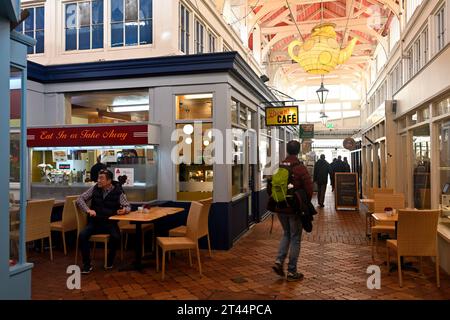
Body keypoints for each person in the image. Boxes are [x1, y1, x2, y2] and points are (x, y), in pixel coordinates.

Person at [271, 140, 313, 282]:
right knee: (295, 238)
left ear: (288, 150)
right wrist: (303, 202)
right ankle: (292, 271)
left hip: (280, 206)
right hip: (294, 209)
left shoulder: (280, 165)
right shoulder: (300, 168)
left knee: (286, 234)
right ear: (298, 150)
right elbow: (309, 189)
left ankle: (278, 261)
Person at [76, 169, 130, 274]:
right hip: (95, 222)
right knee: (82, 235)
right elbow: (80, 199)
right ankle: (87, 265)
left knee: (116, 237)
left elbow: (127, 206)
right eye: (98, 178)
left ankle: (110, 260)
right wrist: (88, 210)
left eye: (101, 178)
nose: (98, 180)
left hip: (110, 222)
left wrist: (124, 210)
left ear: (109, 181)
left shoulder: (118, 191)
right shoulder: (95, 188)